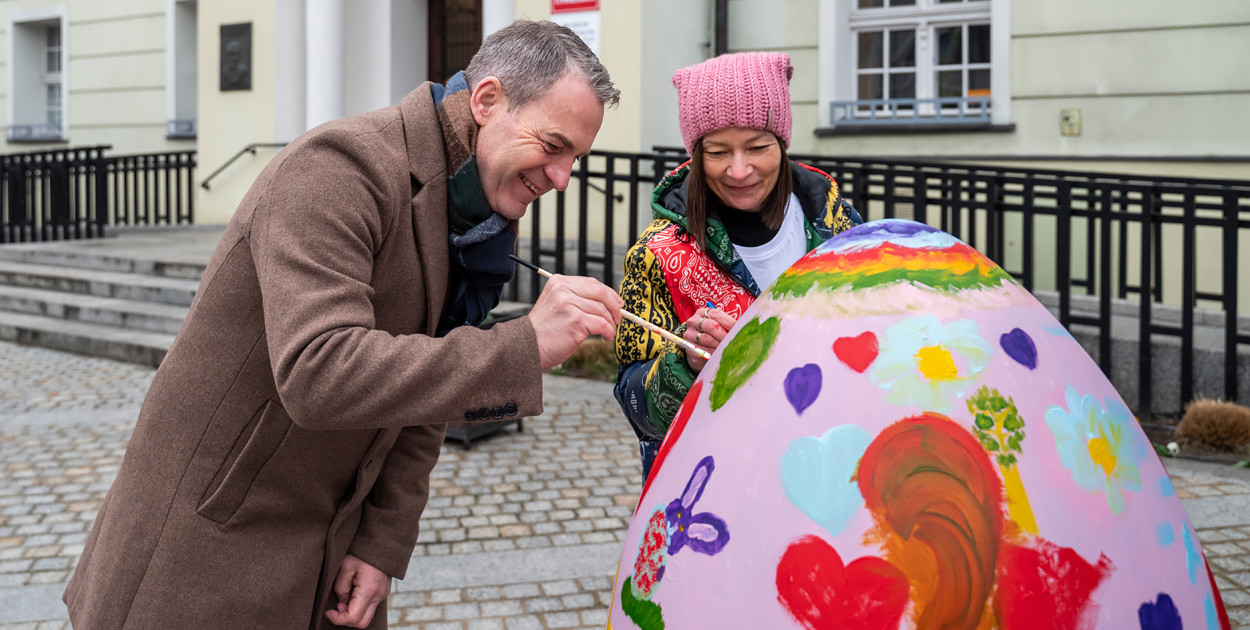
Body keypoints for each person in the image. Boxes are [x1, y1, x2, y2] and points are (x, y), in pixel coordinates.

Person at [63, 20, 622, 630]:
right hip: (206, 549)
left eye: (576, 158)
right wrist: (522, 346)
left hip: (329, 551)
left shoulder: (472, 217)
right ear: (487, 102)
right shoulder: (339, 167)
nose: (563, 178)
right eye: (553, 145)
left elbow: (427, 397)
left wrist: (380, 542)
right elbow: (317, 371)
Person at [614, 52, 863, 480]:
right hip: (718, 489)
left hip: (832, 470)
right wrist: (685, 364)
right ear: (695, 153)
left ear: (782, 143)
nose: (740, 169)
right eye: (717, 151)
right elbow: (638, 410)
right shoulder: (656, 257)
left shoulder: (835, 222)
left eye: (757, 146)